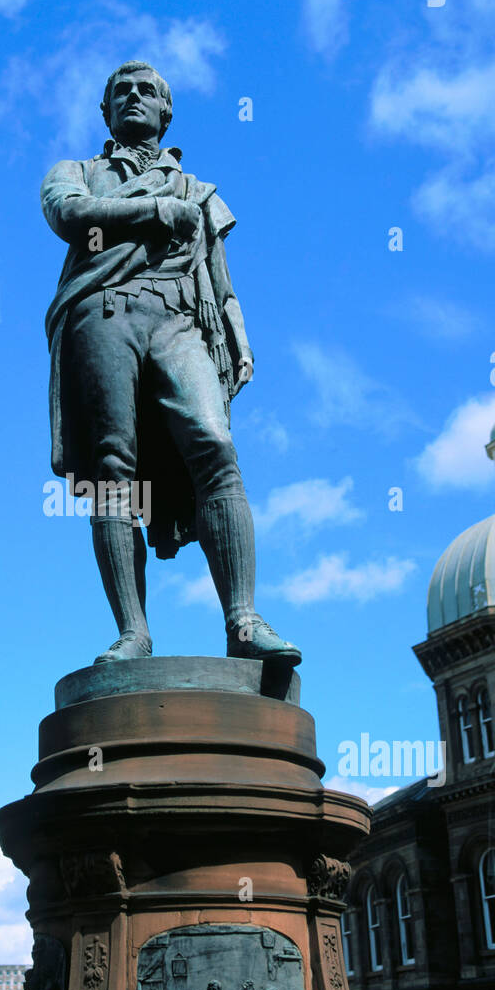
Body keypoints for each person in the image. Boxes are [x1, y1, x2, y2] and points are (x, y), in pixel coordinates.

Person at [41, 61, 301, 667]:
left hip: (179, 318)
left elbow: (220, 280)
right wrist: (157, 211)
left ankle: (243, 618)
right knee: (111, 469)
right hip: (102, 315)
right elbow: (71, 216)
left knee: (215, 445)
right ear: (105, 113)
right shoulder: (75, 173)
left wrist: (237, 339)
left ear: (166, 113)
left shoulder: (199, 192)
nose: (133, 98)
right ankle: (134, 633)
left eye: (147, 92)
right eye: (120, 93)